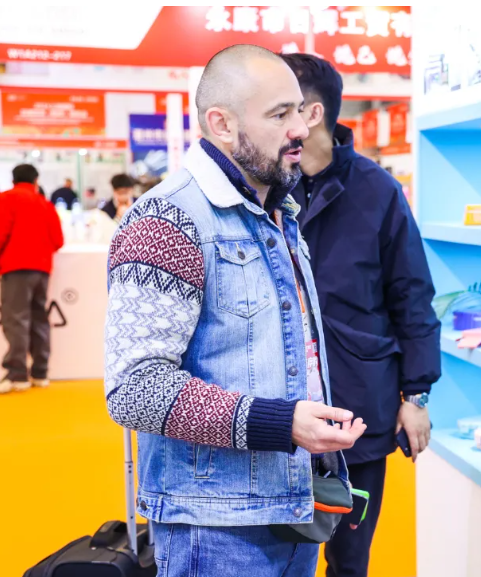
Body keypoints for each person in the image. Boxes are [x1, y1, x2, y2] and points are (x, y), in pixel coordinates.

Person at [103, 45, 366, 577]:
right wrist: (281, 423)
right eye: (279, 114)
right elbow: (134, 388)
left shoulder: (275, 212)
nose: (300, 129)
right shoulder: (168, 220)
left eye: (300, 110)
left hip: (293, 507)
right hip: (216, 529)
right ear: (221, 124)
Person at [281, 53, 441, 577]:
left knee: (349, 558)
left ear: (312, 113)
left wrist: (416, 396)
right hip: (277, 405)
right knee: (277, 555)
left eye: (279, 105)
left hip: (359, 404)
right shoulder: (261, 187)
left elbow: (412, 296)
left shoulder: (377, 191)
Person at [0, 164, 64, 394]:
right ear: (36, 181)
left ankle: (17, 374)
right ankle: (40, 372)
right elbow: (58, 240)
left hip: (15, 267)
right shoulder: (45, 204)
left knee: (16, 319)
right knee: (39, 319)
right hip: (42, 269)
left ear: (13, 179)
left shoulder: (6, 199)